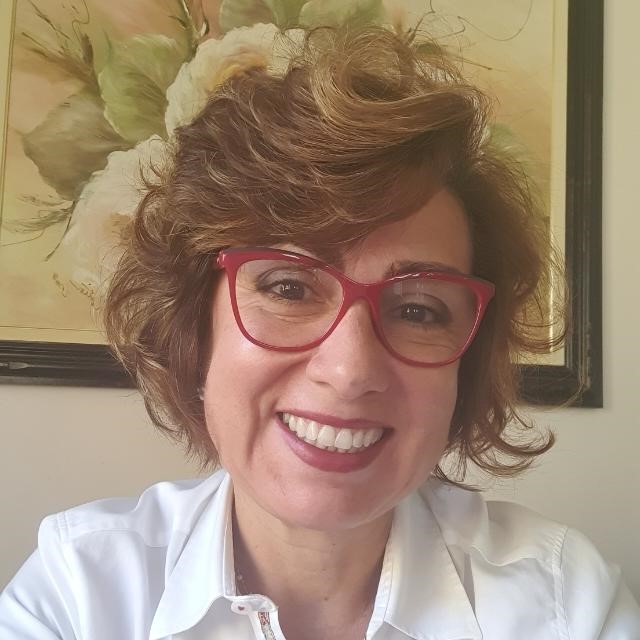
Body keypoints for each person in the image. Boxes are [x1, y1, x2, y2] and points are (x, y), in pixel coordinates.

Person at [1, 25, 639, 640]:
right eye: (288, 288)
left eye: (418, 310)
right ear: (196, 323)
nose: (350, 370)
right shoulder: (79, 592)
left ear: (463, 366)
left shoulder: (564, 603)